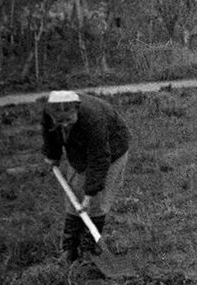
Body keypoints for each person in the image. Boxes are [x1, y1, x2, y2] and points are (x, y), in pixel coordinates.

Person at [41, 90, 131, 263]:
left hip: (111, 150)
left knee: (96, 201)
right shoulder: (49, 115)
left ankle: (90, 250)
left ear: (76, 111)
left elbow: (100, 159)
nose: (65, 125)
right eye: (60, 121)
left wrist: (90, 194)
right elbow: (51, 136)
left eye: (69, 120)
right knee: (74, 197)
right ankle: (69, 250)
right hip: (79, 150)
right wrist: (52, 156)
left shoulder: (93, 119)